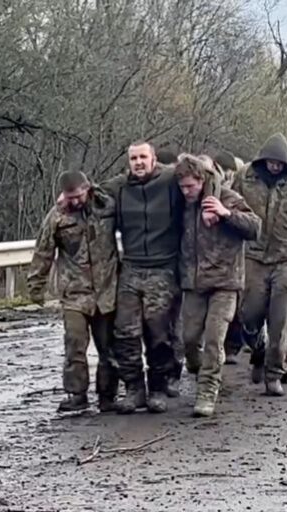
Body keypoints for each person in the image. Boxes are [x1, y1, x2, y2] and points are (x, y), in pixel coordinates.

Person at [231, 133, 287, 396]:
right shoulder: (245, 176)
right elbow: (231, 207)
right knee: (248, 314)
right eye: (270, 162)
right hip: (253, 256)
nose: (274, 166)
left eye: (278, 163)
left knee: (280, 321)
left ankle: (274, 373)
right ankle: (257, 350)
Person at [106, 141, 190, 414]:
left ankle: (157, 387)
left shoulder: (169, 180)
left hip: (163, 267)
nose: (138, 162)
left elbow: (202, 178)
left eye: (143, 157)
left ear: (154, 159)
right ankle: (134, 389)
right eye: (133, 158)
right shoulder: (119, 187)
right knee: (125, 331)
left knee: (158, 332)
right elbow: (89, 194)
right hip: (131, 267)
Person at [175, 155, 261, 416]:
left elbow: (255, 227)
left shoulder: (227, 197)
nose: (186, 191)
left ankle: (207, 391)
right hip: (194, 282)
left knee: (214, 339)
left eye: (190, 186)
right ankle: (199, 368)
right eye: (182, 187)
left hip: (225, 282)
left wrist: (226, 215)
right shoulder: (181, 203)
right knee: (188, 339)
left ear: (202, 179)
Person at [27, 171, 119, 413]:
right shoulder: (57, 216)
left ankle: (108, 395)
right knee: (75, 345)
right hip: (74, 292)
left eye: (78, 196)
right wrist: (36, 285)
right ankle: (76, 393)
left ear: (87, 189)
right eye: (70, 197)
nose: (75, 202)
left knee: (108, 347)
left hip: (107, 290)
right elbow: (43, 251)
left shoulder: (107, 206)